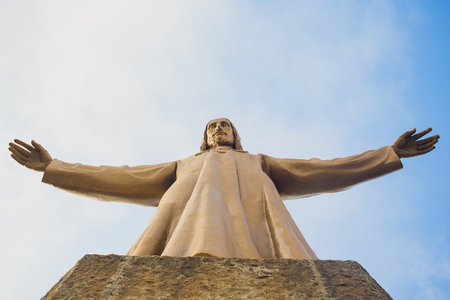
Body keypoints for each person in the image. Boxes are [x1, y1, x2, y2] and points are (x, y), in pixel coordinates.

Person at [8, 118, 439, 259]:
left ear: (236, 135)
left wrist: (387, 154)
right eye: (213, 127)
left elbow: (322, 170)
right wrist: (56, 167)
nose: (219, 131)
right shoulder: (184, 165)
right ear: (204, 137)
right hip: (184, 222)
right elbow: (119, 177)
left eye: (225, 126)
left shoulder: (259, 162)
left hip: (258, 229)